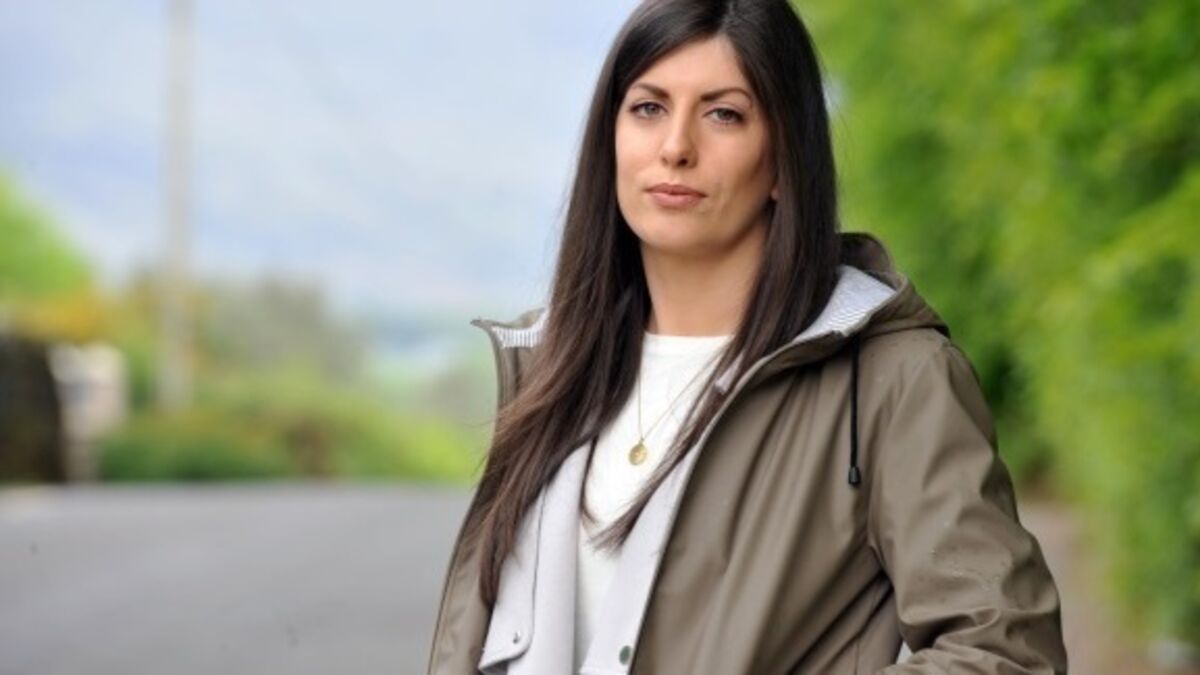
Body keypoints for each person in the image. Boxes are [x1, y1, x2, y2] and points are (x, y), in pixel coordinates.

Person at [427, 0, 1068, 672]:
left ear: (785, 157)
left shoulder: (893, 377)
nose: (676, 146)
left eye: (723, 114)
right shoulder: (551, 368)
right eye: (648, 107)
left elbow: (1004, 650)